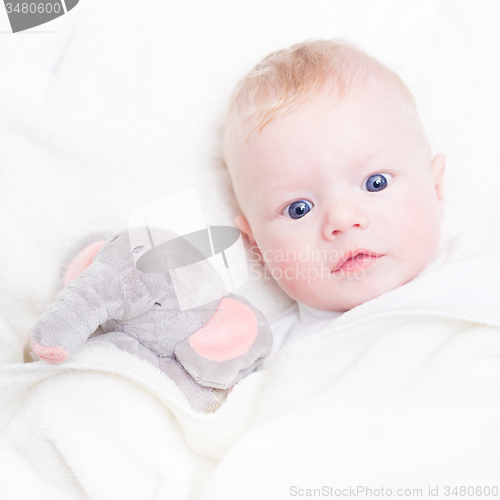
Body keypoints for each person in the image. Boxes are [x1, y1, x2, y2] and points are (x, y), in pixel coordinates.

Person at [222, 39, 446, 368]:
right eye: (299, 208)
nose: (341, 219)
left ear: (437, 189)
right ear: (256, 245)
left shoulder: (484, 272)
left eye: (376, 183)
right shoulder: (269, 362)